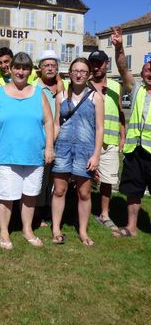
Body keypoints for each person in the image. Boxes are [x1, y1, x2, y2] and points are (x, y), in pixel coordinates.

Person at [0, 52, 54, 249]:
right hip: (6, 154)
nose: (21, 72)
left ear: (30, 71)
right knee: (5, 195)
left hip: (34, 154)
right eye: (17, 67)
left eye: (25, 68)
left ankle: (27, 229)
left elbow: (49, 122)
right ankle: (4, 231)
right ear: (11, 69)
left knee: (30, 195)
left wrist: (49, 147)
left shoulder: (39, 93)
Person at [52, 57, 104, 246]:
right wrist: (50, 146)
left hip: (85, 150)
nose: (79, 74)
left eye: (83, 71)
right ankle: (56, 228)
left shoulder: (95, 97)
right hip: (63, 149)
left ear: (89, 74)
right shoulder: (61, 96)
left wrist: (96, 154)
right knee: (59, 190)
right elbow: (56, 124)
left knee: (84, 193)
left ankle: (83, 231)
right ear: (70, 73)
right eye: (76, 70)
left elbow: (99, 128)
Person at [110, 26, 151, 237]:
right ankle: (132, 227)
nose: (150, 73)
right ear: (142, 73)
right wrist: (119, 48)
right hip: (135, 150)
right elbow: (123, 68)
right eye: (147, 69)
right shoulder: (136, 89)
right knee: (133, 192)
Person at [88, 50, 125, 231]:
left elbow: (119, 113)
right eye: (93, 63)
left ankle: (104, 214)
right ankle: (83, 211)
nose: (96, 66)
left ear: (106, 64)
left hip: (109, 141)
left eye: (99, 63)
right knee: (85, 179)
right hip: (88, 140)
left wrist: (123, 136)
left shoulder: (115, 86)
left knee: (108, 181)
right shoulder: (84, 85)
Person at [32, 50, 64, 226]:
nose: (50, 68)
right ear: (40, 68)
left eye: (53, 65)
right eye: (47, 65)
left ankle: (51, 210)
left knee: (55, 177)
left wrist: (60, 84)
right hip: (42, 138)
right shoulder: (34, 87)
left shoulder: (62, 86)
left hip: (61, 138)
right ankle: (36, 211)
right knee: (40, 177)